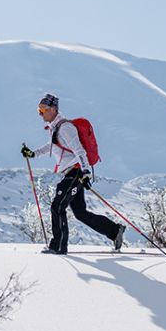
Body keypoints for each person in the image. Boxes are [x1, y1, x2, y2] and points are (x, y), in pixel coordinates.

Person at [21, 93, 125, 255]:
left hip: (75, 172)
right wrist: (33, 154)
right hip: (70, 172)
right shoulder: (55, 128)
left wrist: (85, 172)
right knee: (80, 213)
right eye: (39, 110)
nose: (40, 113)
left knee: (58, 205)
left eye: (43, 109)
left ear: (53, 109)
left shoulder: (65, 128)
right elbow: (52, 146)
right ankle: (114, 230)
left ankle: (58, 247)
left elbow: (79, 150)